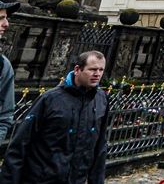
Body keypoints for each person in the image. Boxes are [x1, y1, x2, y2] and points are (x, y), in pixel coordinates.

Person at [0, 50, 108, 184]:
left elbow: (100, 147)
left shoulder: (101, 100)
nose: (97, 74)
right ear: (77, 70)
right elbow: (21, 142)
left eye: (101, 70)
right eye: (92, 69)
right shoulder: (50, 99)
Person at [0, 0, 20, 142]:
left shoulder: (3, 65)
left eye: (6, 18)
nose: (6, 24)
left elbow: (5, 116)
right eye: (1, 18)